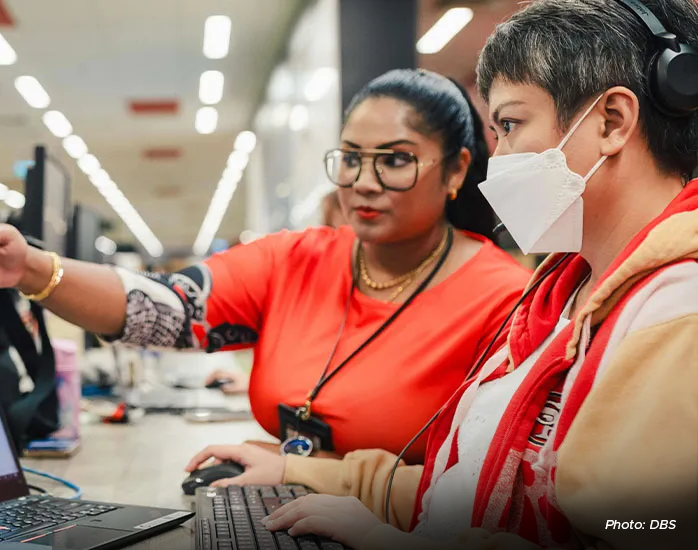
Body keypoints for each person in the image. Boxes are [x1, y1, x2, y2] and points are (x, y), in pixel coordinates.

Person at [186, 1, 698, 548]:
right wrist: (299, 473)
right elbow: (470, 494)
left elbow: (648, 531)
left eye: (509, 123)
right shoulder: (561, 294)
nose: (496, 156)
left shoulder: (676, 309)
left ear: (613, 122)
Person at [0, 69, 531, 465]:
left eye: (395, 161)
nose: (363, 183)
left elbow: (500, 485)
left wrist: (309, 473)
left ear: (455, 171)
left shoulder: (506, 300)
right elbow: (163, 308)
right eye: (349, 158)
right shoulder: (297, 259)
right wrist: (32, 270)